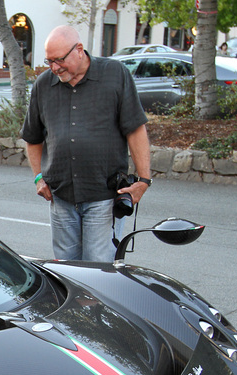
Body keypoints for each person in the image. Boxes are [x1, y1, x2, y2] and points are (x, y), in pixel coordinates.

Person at [21, 25, 151, 262]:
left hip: (103, 195)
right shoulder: (43, 85)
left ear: (79, 50)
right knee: (66, 270)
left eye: (59, 60)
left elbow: (135, 129)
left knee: (98, 272)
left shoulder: (115, 74)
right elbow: (32, 137)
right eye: (49, 61)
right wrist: (38, 177)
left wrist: (143, 180)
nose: (54, 68)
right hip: (60, 196)